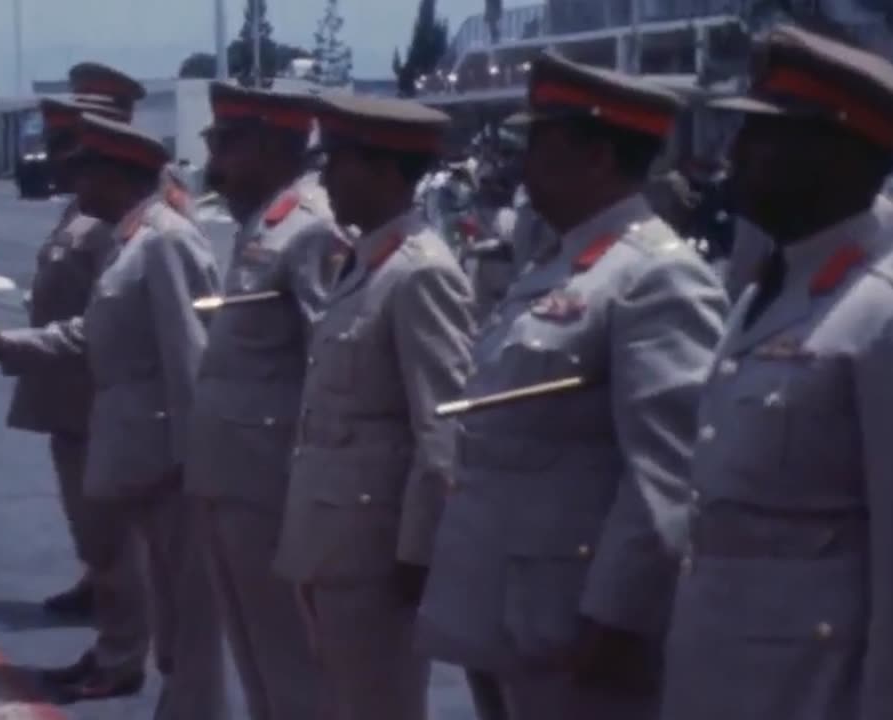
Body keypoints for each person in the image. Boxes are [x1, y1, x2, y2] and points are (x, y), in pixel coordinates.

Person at [414, 52, 728, 720]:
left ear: (599, 158)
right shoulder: (561, 264)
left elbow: (666, 471)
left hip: (576, 620)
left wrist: (618, 617)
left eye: (544, 145)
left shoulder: (654, 276)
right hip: (511, 608)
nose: (524, 165)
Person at [659, 25, 893, 720]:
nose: (735, 155)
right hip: (725, 676)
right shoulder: (776, 288)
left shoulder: (880, 313)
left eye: (765, 138)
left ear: (839, 155)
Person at [0, 113, 228, 716]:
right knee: (168, 613)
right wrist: (4, 344)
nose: (72, 183)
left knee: (192, 620)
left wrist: (200, 470)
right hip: (143, 457)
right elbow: (92, 332)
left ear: (114, 175)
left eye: (83, 170)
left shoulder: (164, 240)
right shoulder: (131, 238)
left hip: (173, 464)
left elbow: (191, 360)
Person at [272, 93, 474, 720]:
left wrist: (419, 555)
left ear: (388, 172)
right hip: (333, 536)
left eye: (340, 161)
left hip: (379, 550)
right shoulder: (367, 262)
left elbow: (443, 428)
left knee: (379, 704)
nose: (326, 177)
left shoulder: (420, 273)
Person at [184, 82, 343, 720]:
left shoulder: (312, 229)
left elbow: (327, 366)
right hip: (234, 475)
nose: (215, 163)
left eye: (227, 145)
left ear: (274, 146)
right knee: (256, 655)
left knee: (295, 662)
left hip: (276, 483)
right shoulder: (264, 222)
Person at [3, 92, 155, 694]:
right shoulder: (82, 212)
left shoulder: (116, 225)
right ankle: (113, 645)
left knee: (116, 544)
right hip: (70, 401)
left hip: (96, 402)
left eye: (74, 148)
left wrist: (2, 344)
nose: (61, 159)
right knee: (99, 542)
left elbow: (108, 325)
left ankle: (122, 658)